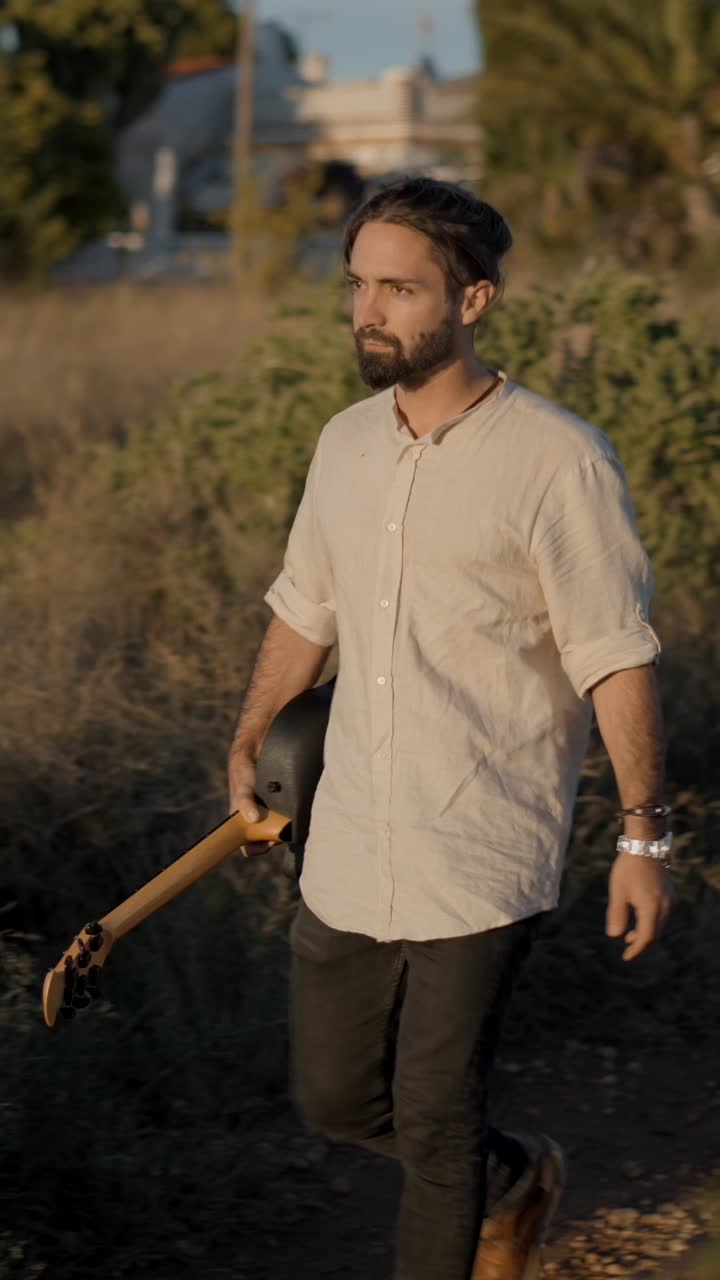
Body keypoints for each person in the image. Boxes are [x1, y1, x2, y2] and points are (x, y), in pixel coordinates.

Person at [227, 177, 674, 1280]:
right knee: (334, 1097)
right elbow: (304, 608)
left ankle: (474, 1198)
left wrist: (642, 838)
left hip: (480, 840)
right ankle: (515, 1176)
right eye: (358, 286)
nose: (369, 311)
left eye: (400, 289)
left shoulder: (559, 459)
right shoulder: (344, 444)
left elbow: (613, 651)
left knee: (433, 1120)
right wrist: (250, 740)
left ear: (472, 299)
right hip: (350, 838)